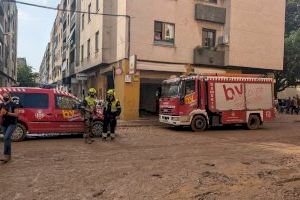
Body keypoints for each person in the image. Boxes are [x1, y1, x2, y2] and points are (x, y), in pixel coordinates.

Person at [0, 93, 18, 163]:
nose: (5, 97)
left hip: (12, 123)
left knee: (6, 137)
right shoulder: (1, 105)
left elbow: (16, 114)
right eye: (4, 96)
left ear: (9, 97)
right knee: (7, 139)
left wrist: (7, 113)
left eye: (6, 96)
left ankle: (5, 155)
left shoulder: (13, 104)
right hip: (3, 124)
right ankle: (8, 156)